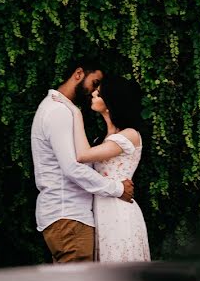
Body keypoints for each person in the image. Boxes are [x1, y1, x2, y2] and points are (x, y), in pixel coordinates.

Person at [31, 58, 134, 263]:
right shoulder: (59, 111)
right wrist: (118, 189)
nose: (95, 91)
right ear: (78, 74)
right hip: (68, 217)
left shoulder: (62, 108)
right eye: (94, 83)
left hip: (66, 218)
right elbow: (72, 168)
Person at [52, 75, 151, 262]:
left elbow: (82, 155)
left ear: (111, 102)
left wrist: (76, 114)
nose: (94, 94)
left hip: (118, 211)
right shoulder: (103, 139)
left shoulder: (129, 135)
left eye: (99, 93)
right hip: (101, 209)